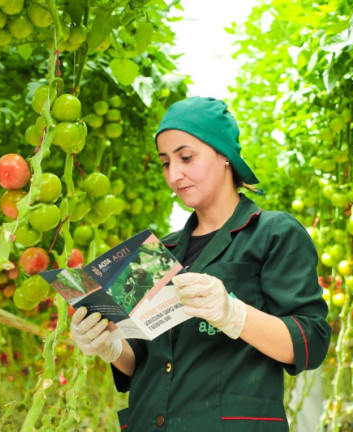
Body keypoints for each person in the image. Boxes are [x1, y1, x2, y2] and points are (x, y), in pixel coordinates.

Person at [71, 96, 331, 431]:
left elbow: (312, 340)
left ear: (224, 155)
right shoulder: (157, 252)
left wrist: (233, 313)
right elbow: (141, 357)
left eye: (186, 157)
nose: (175, 175)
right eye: (166, 163)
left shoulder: (273, 233)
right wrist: (108, 345)